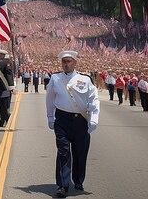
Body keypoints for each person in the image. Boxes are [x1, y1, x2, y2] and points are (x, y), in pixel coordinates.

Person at [45, 50, 99, 198]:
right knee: (63, 152)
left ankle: (78, 180)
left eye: (69, 61)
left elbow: (93, 99)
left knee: (80, 152)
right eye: (64, 61)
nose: (66, 64)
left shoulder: (85, 79)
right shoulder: (55, 78)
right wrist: (50, 116)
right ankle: (63, 185)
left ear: (75, 63)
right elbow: (49, 99)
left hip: (80, 121)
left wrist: (94, 118)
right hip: (62, 120)